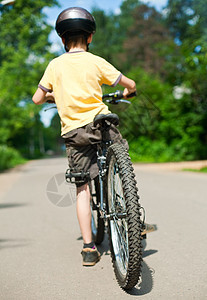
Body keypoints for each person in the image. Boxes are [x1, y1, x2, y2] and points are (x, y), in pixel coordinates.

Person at [32, 7, 136, 266]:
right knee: (121, 163)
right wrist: (126, 94)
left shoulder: (55, 65)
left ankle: (89, 248)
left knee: (82, 188)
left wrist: (55, 95)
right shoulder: (96, 61)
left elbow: (37, 98)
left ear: (62, 39)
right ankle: (133, 214)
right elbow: (130, 84)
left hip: (74, 131)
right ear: (89, 37)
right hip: (102, 123)